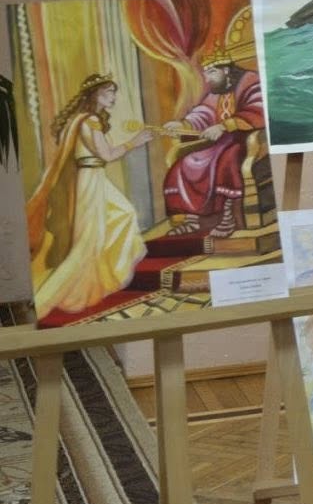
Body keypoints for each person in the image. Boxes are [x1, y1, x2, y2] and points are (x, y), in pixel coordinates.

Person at [25, 74, 155, 319]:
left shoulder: (83, 120)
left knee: (116, 218)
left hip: (94, 177)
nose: (113, 97)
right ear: (94, 94)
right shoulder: (90, 120)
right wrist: (134, 142)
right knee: (92, 234)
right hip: (91, 180)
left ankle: (104, 273)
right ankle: (83, 283)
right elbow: (107, 155)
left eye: (114, 92)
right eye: (108, 92)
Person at [161, 46, 267, 238]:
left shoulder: (251, 80)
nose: (207, 78)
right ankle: (192, 221)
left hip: (247, 141)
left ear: (225, 70)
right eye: (205, 73)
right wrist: (182, 124)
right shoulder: (217, 90)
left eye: (211, 72)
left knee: (226, 161)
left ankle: (228, 219)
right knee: (185, 163)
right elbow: (204, 113)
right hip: (219, 144)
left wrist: (225, 126)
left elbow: (259, 109)